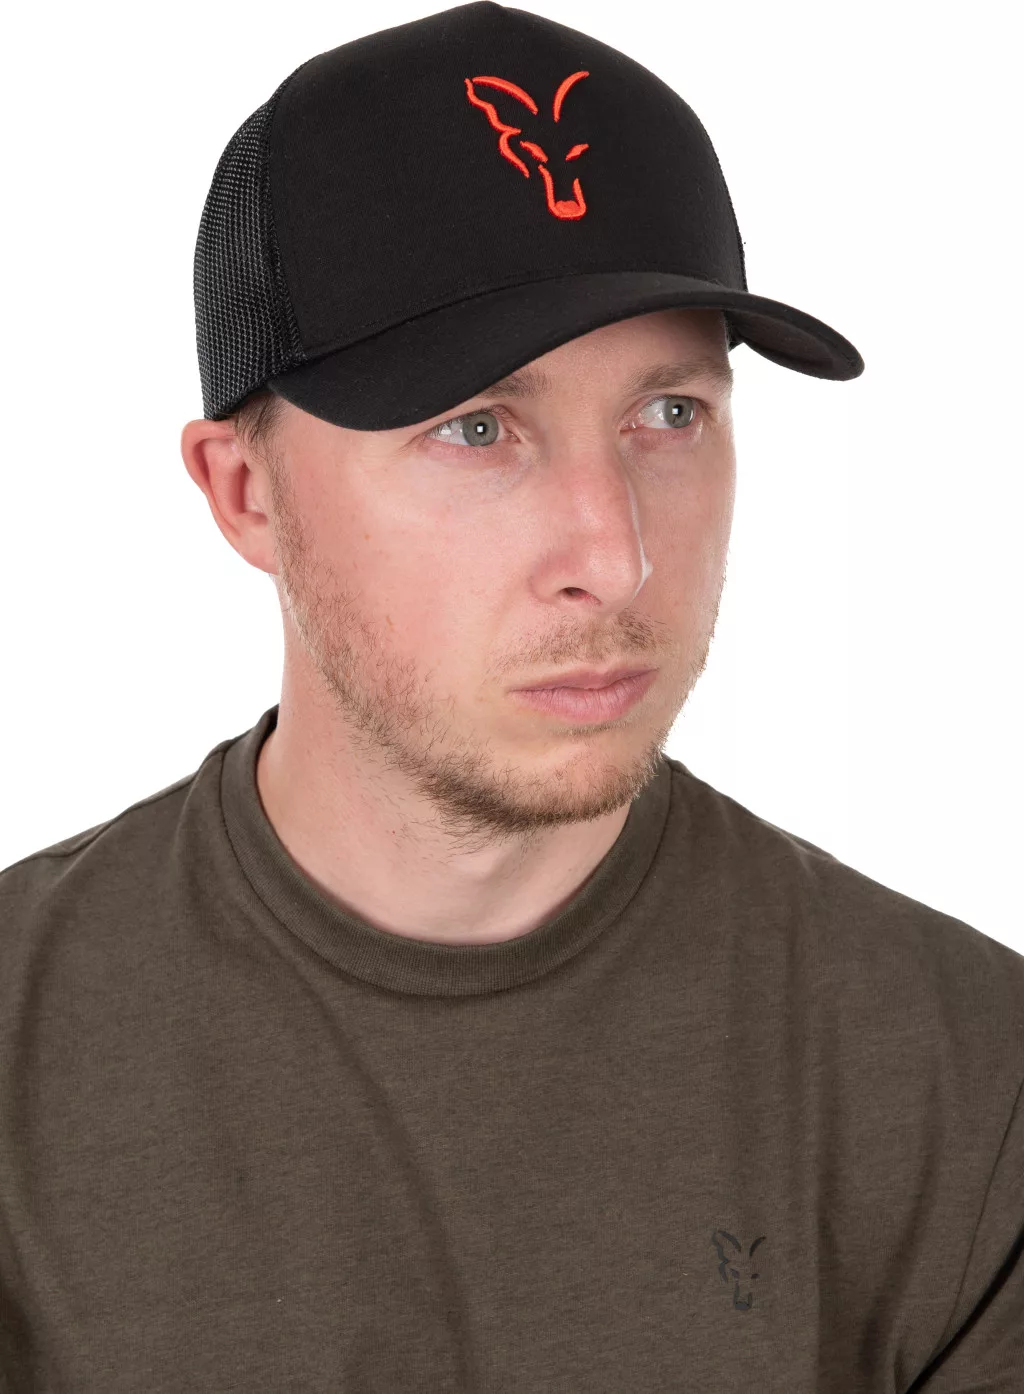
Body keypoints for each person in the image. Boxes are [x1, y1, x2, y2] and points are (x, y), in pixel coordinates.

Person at [1, 3, 1020, 1389]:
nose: (615, 553)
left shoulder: (967, 1085)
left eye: (669, 414)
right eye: (478, 428)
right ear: (245, 492)